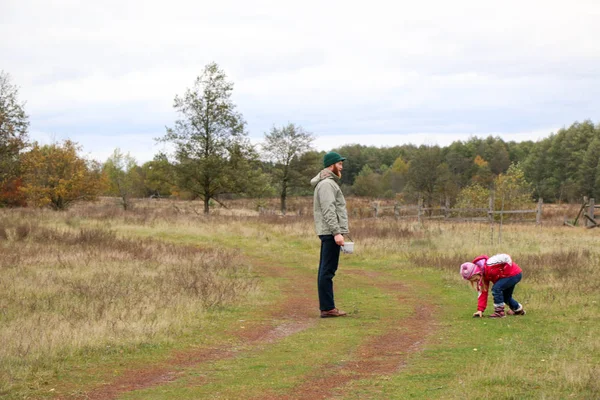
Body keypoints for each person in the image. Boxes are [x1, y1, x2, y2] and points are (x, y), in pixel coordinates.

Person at [311, 151, 349, 318]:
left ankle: (327, 307)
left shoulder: (330, 183)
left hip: (330, 232)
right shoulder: (327, 184)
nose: (342, 167)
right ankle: (327, 308)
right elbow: (329, 210)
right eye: (339, 164)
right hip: (330, 232)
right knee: (327, 270)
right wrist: (337, 233)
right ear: (331, 165)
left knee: (326, 269)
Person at [460, 253, 526, 318]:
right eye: (472, 280)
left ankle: (499, 312)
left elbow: (506, 257)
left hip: (514, 274)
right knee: (506, 297)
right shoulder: (482, 277)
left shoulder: (490, 263)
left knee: (496, 288)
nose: (475, 281)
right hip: (509, 277)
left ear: (476, 272)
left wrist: (505, 273)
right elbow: (483, 292)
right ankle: (518, 310)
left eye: (473, 278)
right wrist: (480, 310)